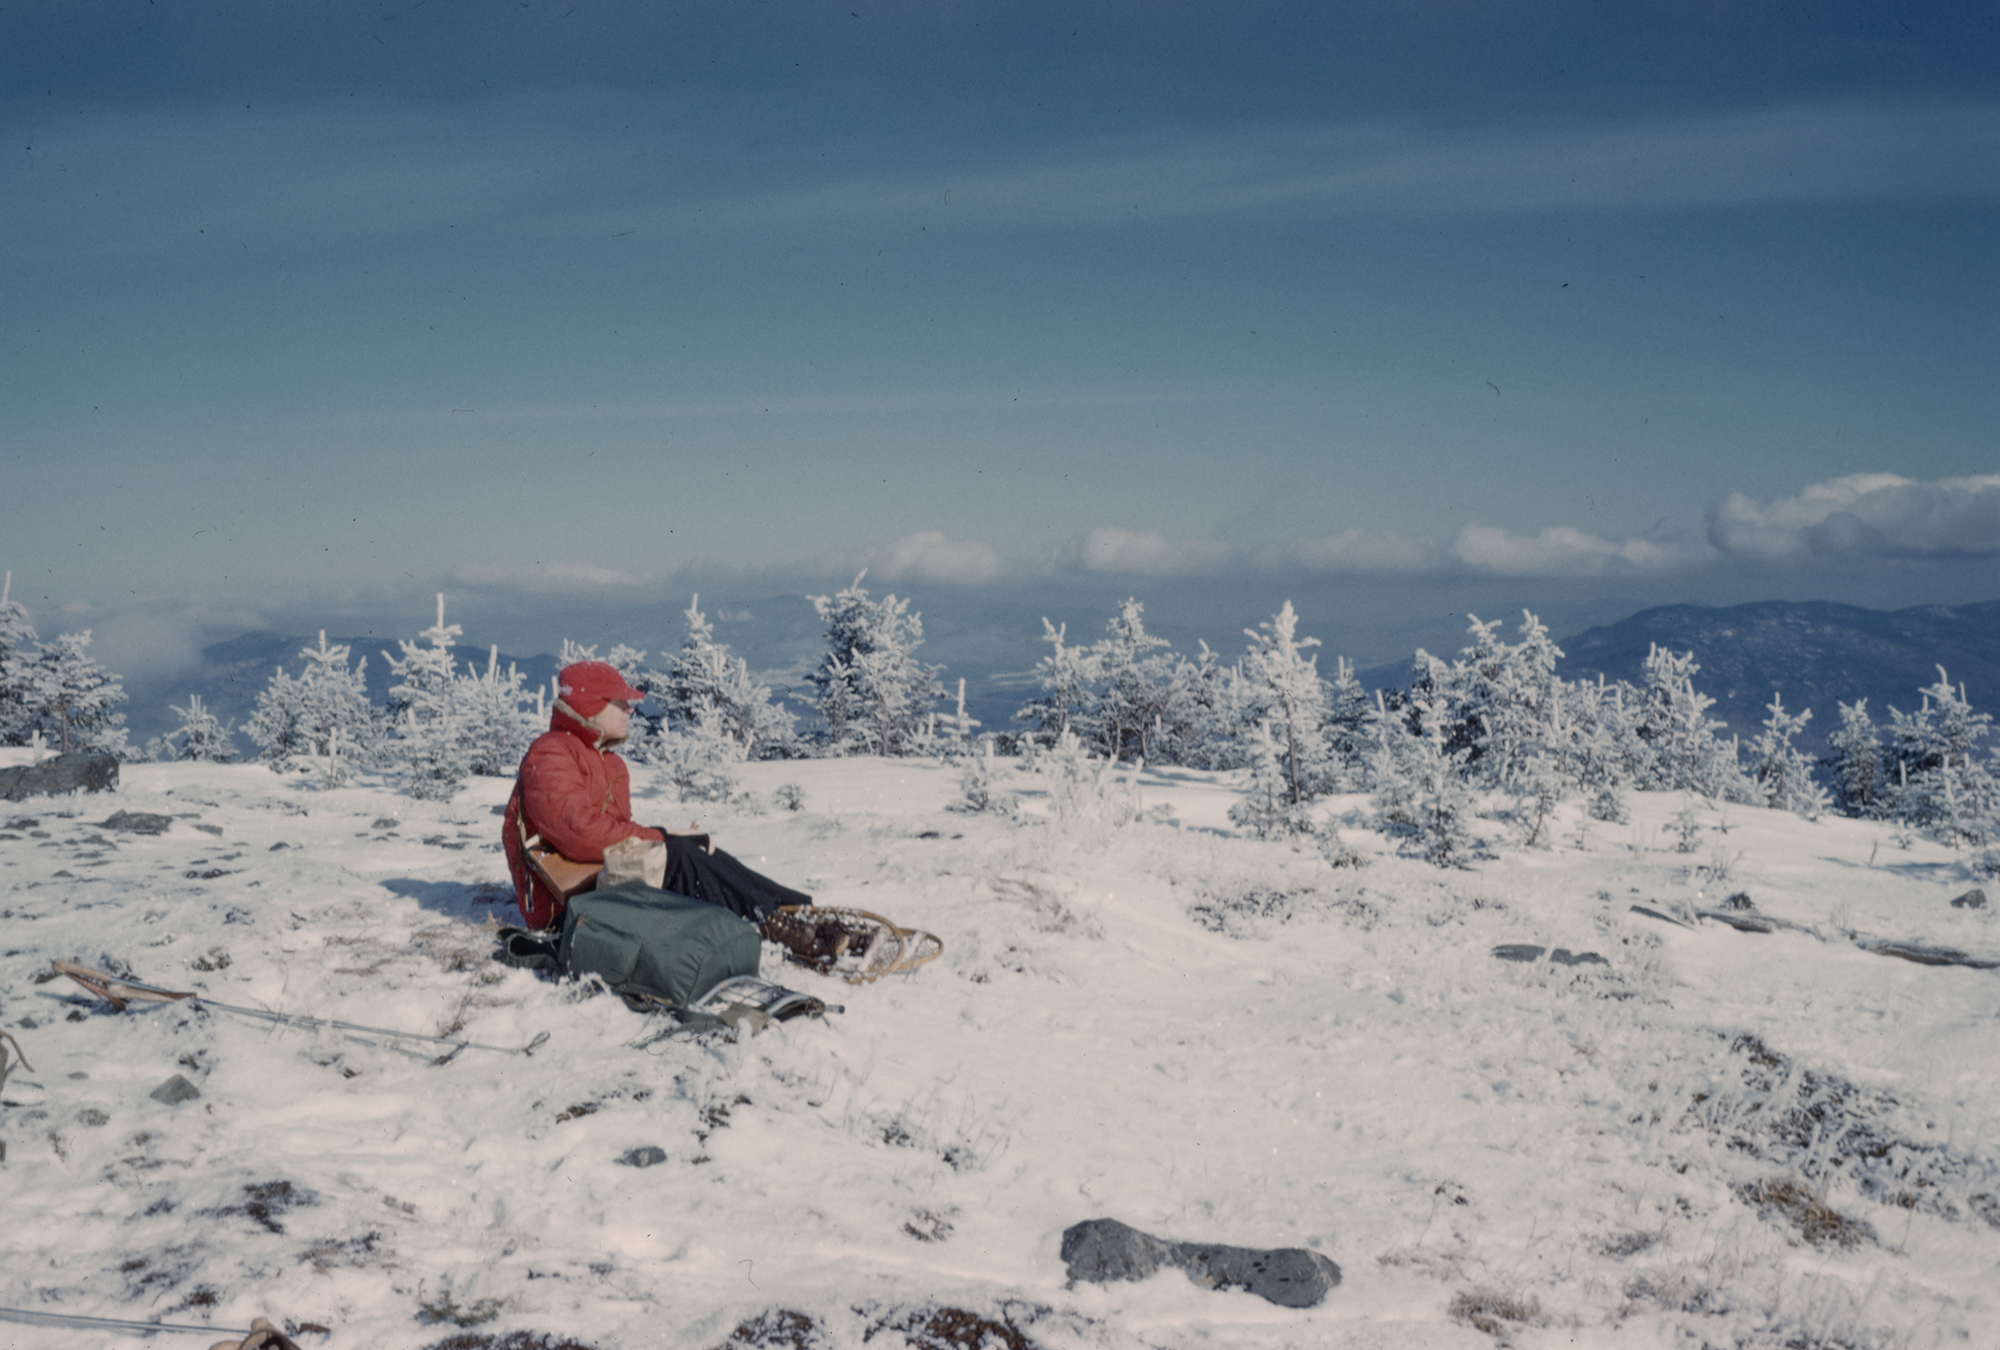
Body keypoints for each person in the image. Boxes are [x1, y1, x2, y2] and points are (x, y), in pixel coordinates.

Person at [502, 660, 811, 932]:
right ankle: (776, 924)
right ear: (590, 706)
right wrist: (659, 837)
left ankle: (794, 909)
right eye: (620, 701)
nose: (629, 709)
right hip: (561, 906)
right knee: (679, 856)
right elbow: (580, 833)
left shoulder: (609, 762)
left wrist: (665, 838)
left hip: (595, 882)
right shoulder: (550, 752)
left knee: (696, 848)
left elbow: (615, 832)